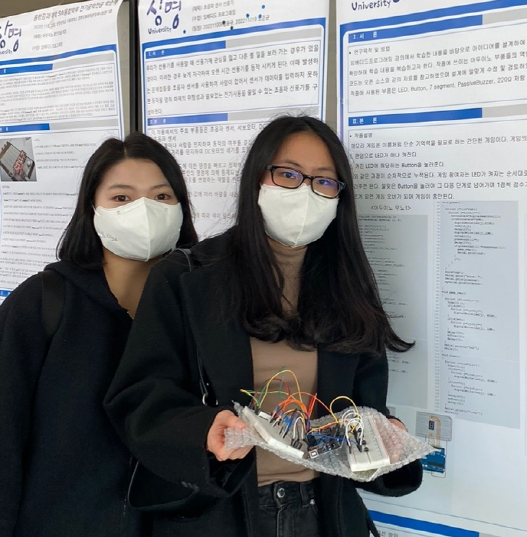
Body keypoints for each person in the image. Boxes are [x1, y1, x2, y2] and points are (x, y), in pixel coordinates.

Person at [105, 115, 423, 537]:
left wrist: (385, 440)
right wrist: (202, 431)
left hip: (324, 514)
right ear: (257, 179)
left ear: (339, 196)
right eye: (288, 174)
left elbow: (363, 407)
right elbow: (139, 398)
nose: (305, 191)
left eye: (324, 181)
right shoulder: (187, 277)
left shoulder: (347, 285)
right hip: (220, 516)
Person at [0, 133, 198, 537]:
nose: (144, 210)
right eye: (122, 197)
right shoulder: (43, 303)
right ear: (91, 208)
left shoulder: (202, 306)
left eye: (162, 196)